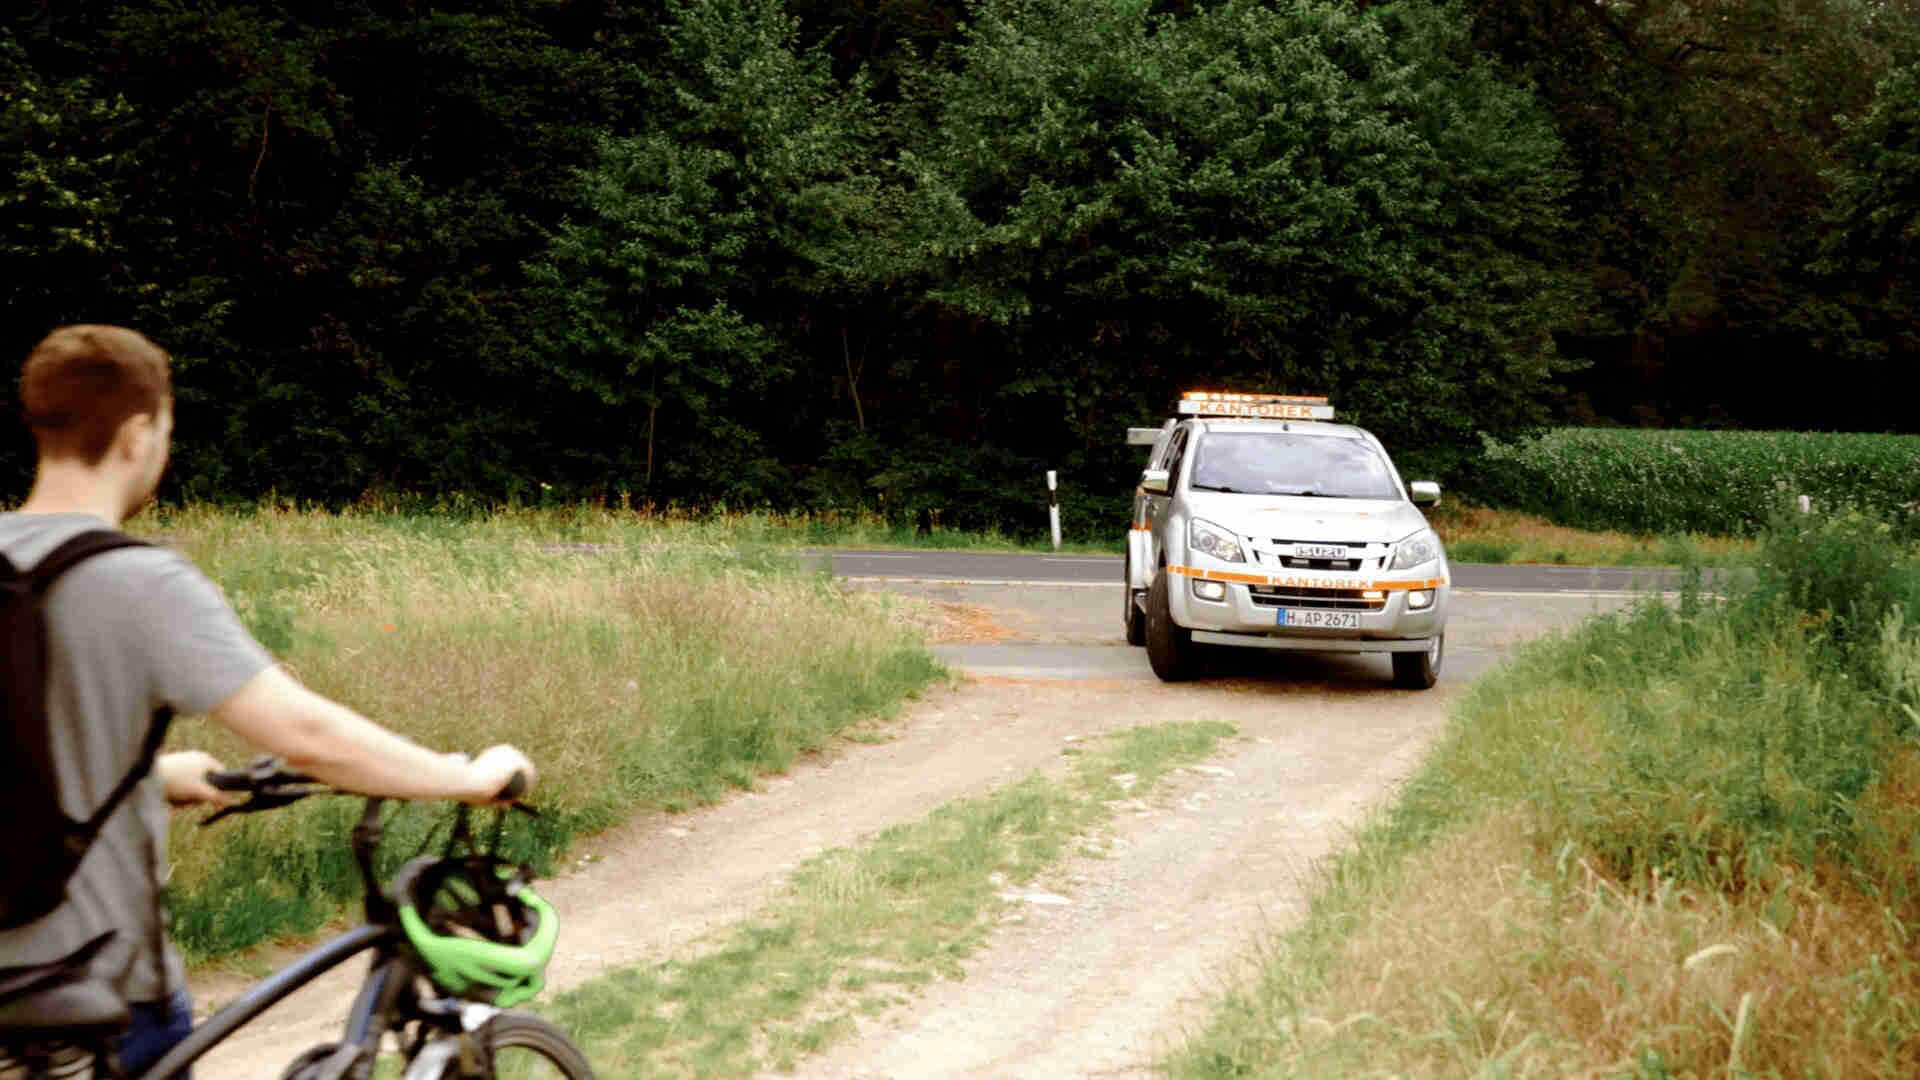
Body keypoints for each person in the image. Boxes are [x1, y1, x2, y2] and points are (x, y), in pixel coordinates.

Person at [0, 325, 536, 1075]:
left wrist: (152, 777)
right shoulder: (136, 582)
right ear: (137, 433)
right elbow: (305, 734)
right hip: (96, 991)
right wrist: (468, 777)